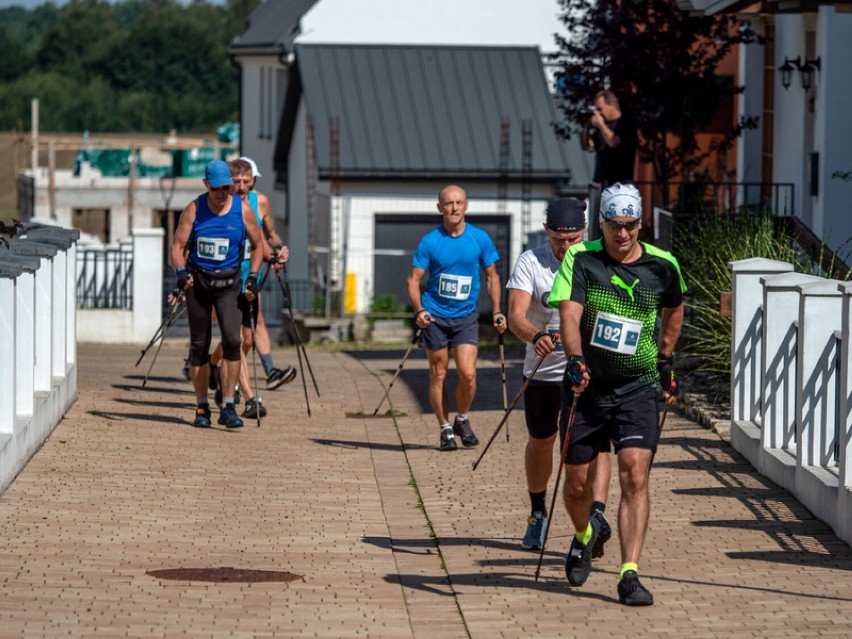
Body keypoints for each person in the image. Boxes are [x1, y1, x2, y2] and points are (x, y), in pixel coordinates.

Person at [549, 182, 685, 606]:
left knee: (635, 474)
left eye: (629, 226)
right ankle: (586, 534)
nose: (622, 235)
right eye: (614, 226)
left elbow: (675, 306)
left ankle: (629, 574)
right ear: (601, 223)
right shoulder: (581, 257)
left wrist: (665, 359)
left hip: (638, 387)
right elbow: (568, 314)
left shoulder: (663, 265)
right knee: (575, 486)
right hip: (588, 386)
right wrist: (574, 358)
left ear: (640, 223)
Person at [506, 198, 612, 554]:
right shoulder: (531, 261)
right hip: (544, 371)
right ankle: (538, 513)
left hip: (590, 371)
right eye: (558, 240)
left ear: (585, 233)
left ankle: (595, 516)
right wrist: (535, 335)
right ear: (547, 232)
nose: (566, 247)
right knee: (542, 441)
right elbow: (516, 314)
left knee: (595, 445)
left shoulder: (599, 259)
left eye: (573, 240)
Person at [406, 184, 507, 451]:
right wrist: (419, 311)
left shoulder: (479, 238)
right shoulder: (430, 241)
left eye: (459, 202)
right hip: (435, 317)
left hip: (465, 317)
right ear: (440, 207)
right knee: (438, 374)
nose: (454, 208)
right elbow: (413, 280)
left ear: (466, 206)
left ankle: (461, 418)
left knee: (468, 373)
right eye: (448, 203)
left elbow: (492, 276)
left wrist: (497, 310)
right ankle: (444, 428)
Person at [170, 159, 264, 429]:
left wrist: (254, 277)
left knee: (234, 341)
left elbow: (258, 246)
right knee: (199, 345)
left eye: (227, 187)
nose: (223, 193)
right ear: (206, 185)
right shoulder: (194, 209)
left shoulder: (241, 209)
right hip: (199, 284)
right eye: (218, 188)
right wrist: (180, 271)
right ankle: (201, 407)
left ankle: (228, 406)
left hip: (229, 285)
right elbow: (177, 246)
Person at [208, 158, 296, 419]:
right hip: (222, 282)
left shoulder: (258, 204)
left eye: (247, 181)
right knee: (234, 337)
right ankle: (248, 398)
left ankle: (216, 366)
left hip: (250, 281)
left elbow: (264, 240)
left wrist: (276, 254)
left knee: (246, 339)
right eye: (237, 182)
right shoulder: (219, 205)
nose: (242, 186)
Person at [581, 90, 638, 188]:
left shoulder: (626, 122)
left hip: (621, 184)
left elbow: (613, 142)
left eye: (600, 109)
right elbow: (587, 146)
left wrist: (600, 124)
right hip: (601, 183)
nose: (598, 113)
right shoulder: (602, 127)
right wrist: (587, 127)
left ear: (611, 106)